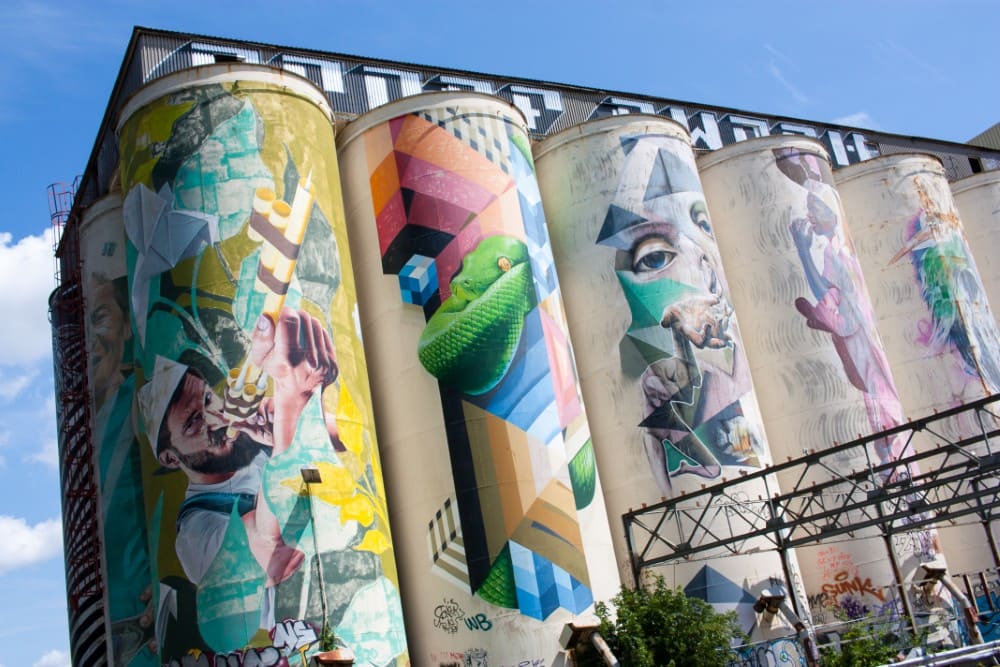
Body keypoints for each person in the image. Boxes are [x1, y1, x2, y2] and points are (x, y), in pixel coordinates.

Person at [600, 134, 764, 495]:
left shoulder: (719, 370)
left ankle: (675, 489)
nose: (702, 261)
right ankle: (671, 493)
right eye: (655, 258)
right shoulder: (661, 372)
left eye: (703, 226)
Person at [139, 307, 340, 590]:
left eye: (208, 399)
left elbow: (345, 448)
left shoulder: (259, 446)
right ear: (170, 457)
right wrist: (289, 415)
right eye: (194, 422)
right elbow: (267, 557)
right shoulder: (195, 533)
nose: (214, 418)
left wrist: (300, 417)